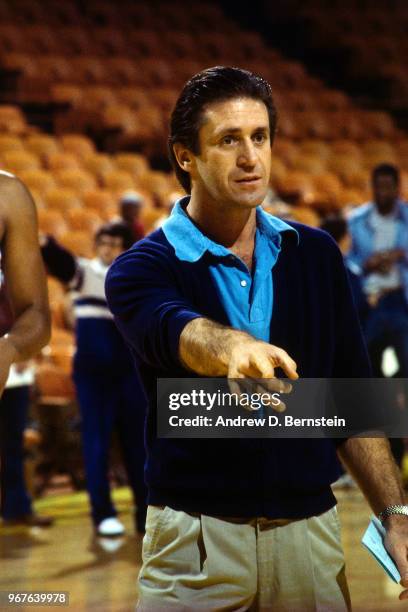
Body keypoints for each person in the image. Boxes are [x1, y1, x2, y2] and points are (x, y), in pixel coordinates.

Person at [106, 67, 408, 610]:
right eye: (228, 140)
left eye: (260, 137)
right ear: (184, 157)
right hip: (197, 541)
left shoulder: (316, 255)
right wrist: (234, 349)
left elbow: (350, 401)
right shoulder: (139, 269)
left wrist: (395, 515)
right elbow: (179, 328)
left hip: (310, 537)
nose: (251, 158)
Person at [41, 222, 147, 537]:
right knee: (96, 443)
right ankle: (102, 514)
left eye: (115, 243)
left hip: (130, 373)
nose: (108, 248)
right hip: (94, 376)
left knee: (139, 446)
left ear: (127, 248)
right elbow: (63, 264)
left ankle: (146, 513)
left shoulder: (139, 279)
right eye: (103, 241)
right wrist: (46, 243)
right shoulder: (86, 272)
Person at [0, 171, 51, 527]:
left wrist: (10, 347)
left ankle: (17, 507)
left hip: (9, 370)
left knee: (12, 446)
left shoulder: (8, 194)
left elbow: (36, 315)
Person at [348, 163, 408, 378]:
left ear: (397, 188)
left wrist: (400, 255)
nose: (383, 192)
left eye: (388, 187)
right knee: (368, 365)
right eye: (379, 187)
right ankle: (376, 409)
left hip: (401, 300)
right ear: (372, 188)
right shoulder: (357, 220)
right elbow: (348, 262)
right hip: (370, 302)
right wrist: (367, 264)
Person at [320, 215, 368, 323]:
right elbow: (356, 304)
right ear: (343, 238)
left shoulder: (312, 265)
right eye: (348, 235)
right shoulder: (346, 271)